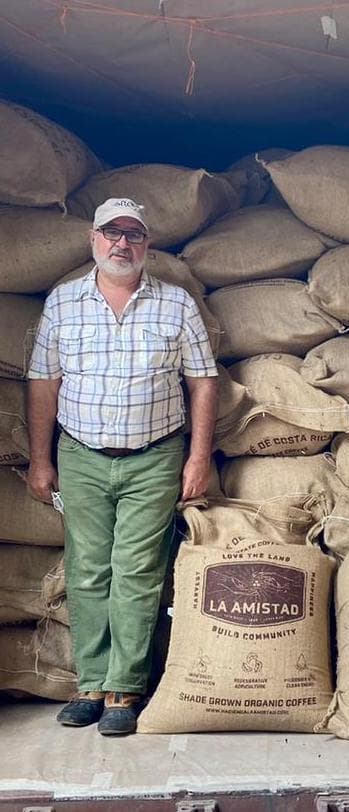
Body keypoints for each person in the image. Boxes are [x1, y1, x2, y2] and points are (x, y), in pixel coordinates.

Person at [26, 197, 218, 735]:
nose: (122, 244)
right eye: (112, 233)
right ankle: (88, 684)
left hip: (154, 456)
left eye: (133, 235)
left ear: (146, 246)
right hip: (81, 455)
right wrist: (41, 458)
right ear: (93, 240)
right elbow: (43, 383)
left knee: (137, 572)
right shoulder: (63, 303)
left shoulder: (176, 305)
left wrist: (197, 457)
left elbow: (203, 383)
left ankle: (124, 691)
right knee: (88, 570)